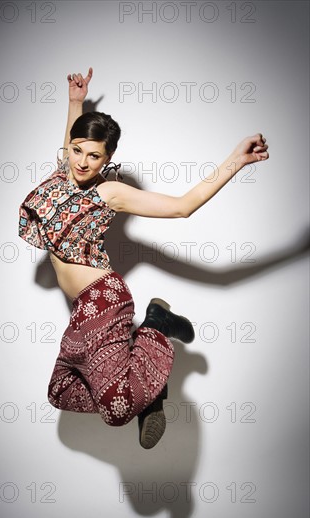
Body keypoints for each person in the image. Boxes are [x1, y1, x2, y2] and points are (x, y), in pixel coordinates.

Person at [18, 67, 269, 449]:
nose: (83, 162)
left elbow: (184, 206)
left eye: (94, 156)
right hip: (81, 311)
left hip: (104, 299)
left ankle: (155, 327)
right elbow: (73, 136)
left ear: (108, 158)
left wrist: (238, 159)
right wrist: (75, 102)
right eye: (77, 150)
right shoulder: (62, 173)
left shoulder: (110, 193)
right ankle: (145, 390)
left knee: (116, 410)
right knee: (60, 391)